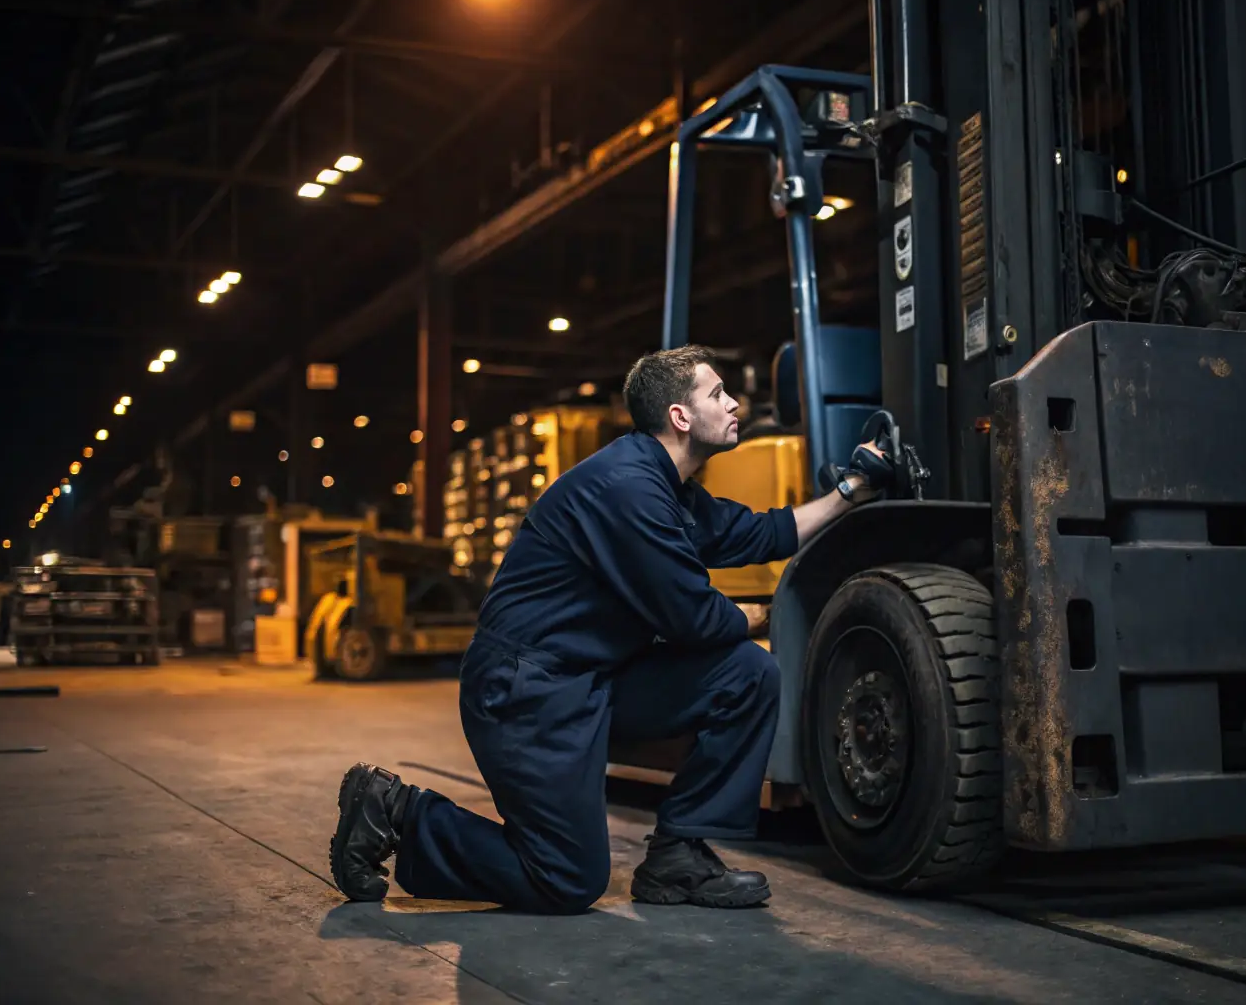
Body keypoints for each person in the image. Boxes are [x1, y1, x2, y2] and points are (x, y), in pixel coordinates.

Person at [329, 345, 883, 913]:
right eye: (717, 394)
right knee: (566, 878)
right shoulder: (629, 489)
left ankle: (678, 857)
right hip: (525, 693)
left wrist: (850, 491)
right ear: (680, 416)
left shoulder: (669, 489)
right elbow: (693, 618)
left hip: (590, 682)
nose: (734, 403)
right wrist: (760, 614)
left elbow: (760, 534)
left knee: (746, 674)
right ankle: (394, 810)